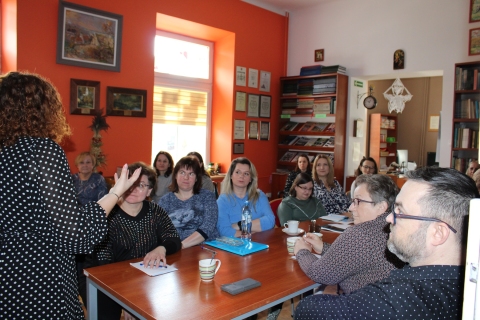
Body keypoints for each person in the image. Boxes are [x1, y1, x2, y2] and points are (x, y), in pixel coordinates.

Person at [0, 71, 141, 319]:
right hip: (36, 277)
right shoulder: (40, 150)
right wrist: (116, 192)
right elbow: (75, 235)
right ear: (44, 109)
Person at [294, 167, 479, 319]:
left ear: (438, 233)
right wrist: (326, 249)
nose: (389, 218)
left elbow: (307, 310)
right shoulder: (467, 290)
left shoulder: (394, 301)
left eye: (400, 211)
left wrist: (304, 255)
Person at [81, 162, 181, 320]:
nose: (133, 189)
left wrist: (161, 248)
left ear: (149, 190)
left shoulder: (155, 211)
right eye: (129, 184)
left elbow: (174, 239)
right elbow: (105, 263)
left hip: (146, 278)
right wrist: (127, 300)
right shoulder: (109, 214)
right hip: (105, 280)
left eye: (140, 185)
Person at [294, 174, 403, 294]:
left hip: (363, 306)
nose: (351, 207)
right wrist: (323, 247)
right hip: (391, 303)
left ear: (381, 206)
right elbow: (354, 256)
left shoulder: (362, 234)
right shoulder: (397, 227)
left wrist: (302, 251)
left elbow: (321, 273)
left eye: (358, 201)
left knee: (307, 305)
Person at [158, 156, 219, 248]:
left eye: (191, 174)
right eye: (182, 173)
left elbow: (207, 227)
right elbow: (160, 231)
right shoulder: (165, 201)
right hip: (175, 251)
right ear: (175, 176)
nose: (186, 177)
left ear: (197, 178)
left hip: (205, 248)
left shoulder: (207, 197)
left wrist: (180, 246)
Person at [217, 157, 275, 237]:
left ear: (251, 178)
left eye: (246, 173)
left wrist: (239, 225)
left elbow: (270, 221)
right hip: (234, 246)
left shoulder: (259, 196)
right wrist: (250, 233)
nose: (242, 176)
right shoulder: (222, 201)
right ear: (231, 175)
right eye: (238, 172)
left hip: (260, 244)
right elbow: (224, 231)